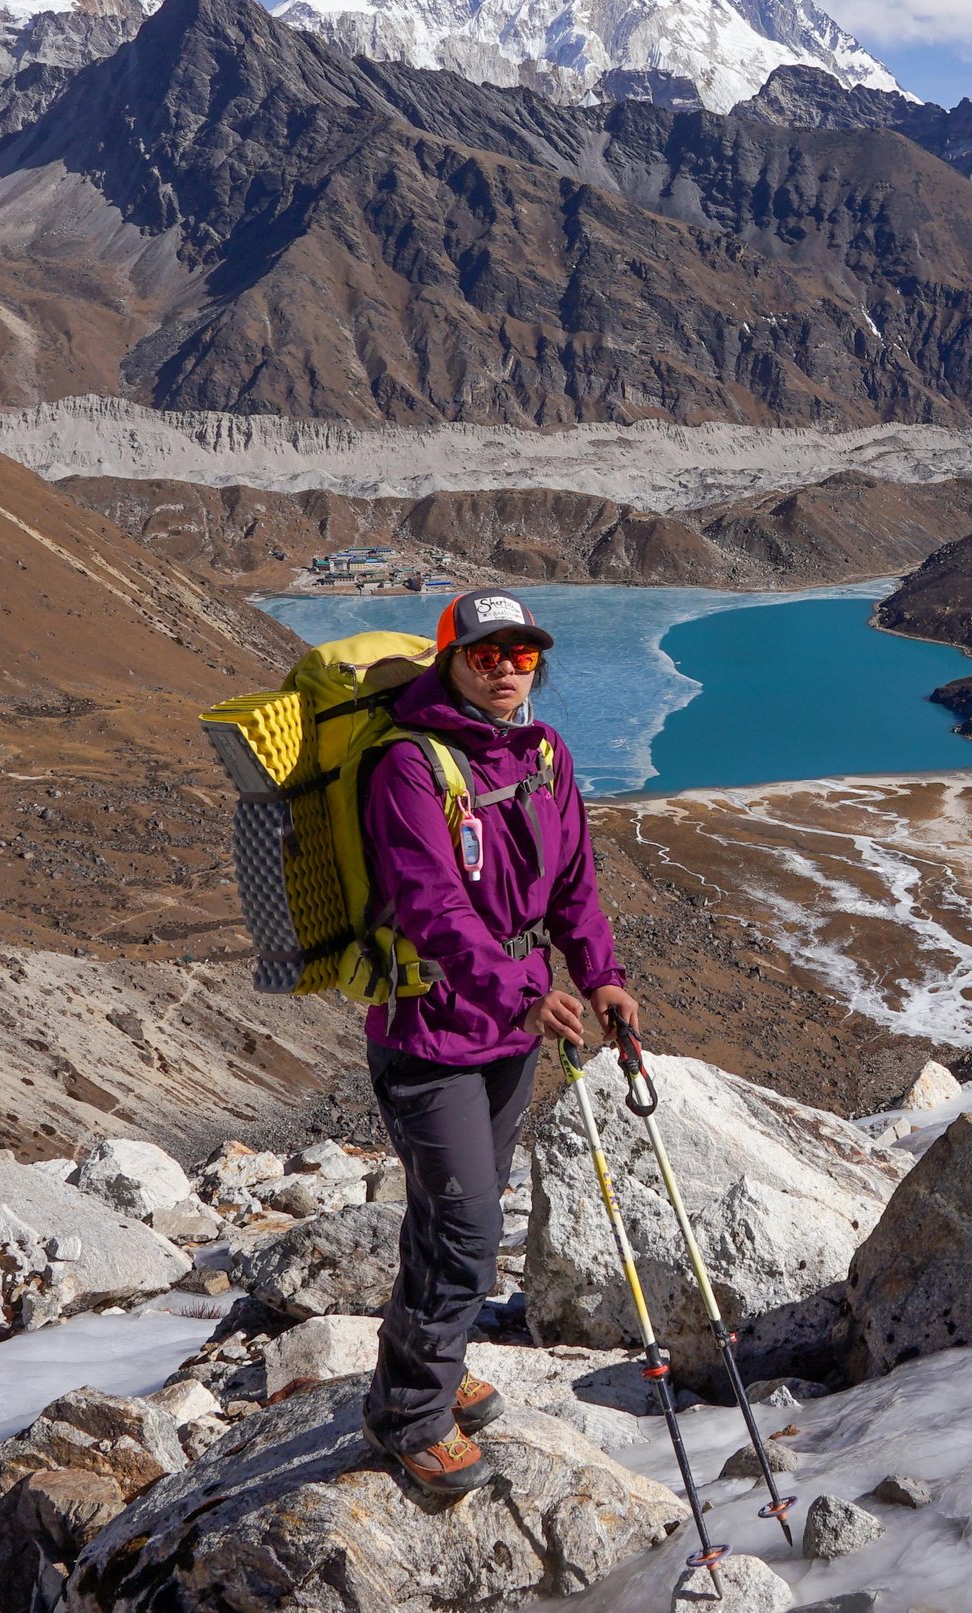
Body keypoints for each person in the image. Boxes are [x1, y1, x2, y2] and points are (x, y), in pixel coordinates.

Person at [358, 587, 639, 1496]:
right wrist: (525, 993)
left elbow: (574, 882)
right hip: (429, 1035)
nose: (508, 670)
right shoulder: (407, 765)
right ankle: (409, 1415)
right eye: (487, 655)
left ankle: (421, 1366)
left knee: (449, 1215)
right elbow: (431, 907)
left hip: (510, 1034)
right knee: (468, 1228)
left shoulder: (544, 754)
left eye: (522, 655)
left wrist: (600, 972)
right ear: (451, 661)